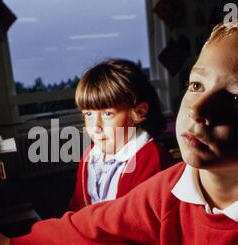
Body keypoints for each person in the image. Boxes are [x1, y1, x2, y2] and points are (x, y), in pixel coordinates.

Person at [0, 9, 238, 245]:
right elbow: (93, 226)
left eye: (237, 99)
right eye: (196, 85)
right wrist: (12, 243)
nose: (198, 108)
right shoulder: (172, 188)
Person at [68, 59, 174, 211]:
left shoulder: (153, 160)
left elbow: (135, 226)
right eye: (88, 114)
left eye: (107, 113)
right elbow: (77, 209)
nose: (95, 126)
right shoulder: (89, 156)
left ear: (139, 112)